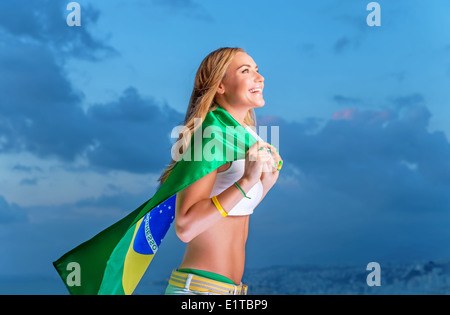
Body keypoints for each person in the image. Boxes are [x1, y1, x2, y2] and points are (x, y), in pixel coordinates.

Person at [161, 47, 282, 295]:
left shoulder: (246, 137)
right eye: (245, 71)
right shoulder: (210, 135)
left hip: (231, 292)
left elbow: (232, 211)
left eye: (257, 70)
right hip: (198, 292)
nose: (260, 78)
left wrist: (266, 182)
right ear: (220, 86)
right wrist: (248, 180)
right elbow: (185, 227)